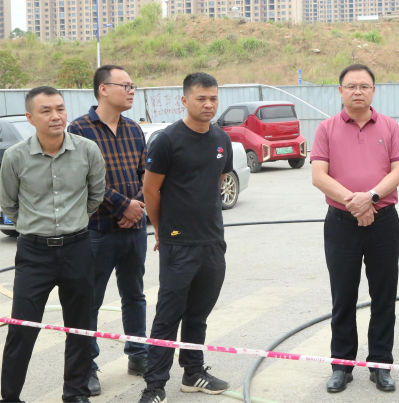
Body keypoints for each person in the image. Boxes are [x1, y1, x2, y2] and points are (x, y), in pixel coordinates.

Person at [0, 86, 106, 403]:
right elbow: (9, 203)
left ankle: (75, 393)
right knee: (22, 327)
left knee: (80, 327)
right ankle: (10, 397)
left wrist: (73, 223)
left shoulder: (87, 151)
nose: (55, 116)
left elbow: (95, 196)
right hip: (34, 253)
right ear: (30, 117)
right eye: (45, 110)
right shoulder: (15, 156)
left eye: (60, 108)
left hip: (77, 249)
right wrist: (35, 228)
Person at [311, 64, 399, 393]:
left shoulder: (389, 126)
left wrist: (371, 198)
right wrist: (355, 202)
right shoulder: (326, 128)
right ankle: (342, 365)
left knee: (384, 295)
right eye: (351, 86)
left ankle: (380, 364)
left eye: (364, 86)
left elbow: (398, 171)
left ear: (373, 91)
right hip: (341, 224)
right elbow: (319, 176)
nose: (358, 91)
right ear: (340, 91)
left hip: (384, 223)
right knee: (343, 296)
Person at [138, 73, 233, 403]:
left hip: (212, 242)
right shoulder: (167, 140)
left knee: (198, 314)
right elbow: (151, 190)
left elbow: (217, 180)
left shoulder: (221, 139)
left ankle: (193, 373)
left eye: (213, 98)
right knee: (168, 316)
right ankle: (154, 386)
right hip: (178, 244)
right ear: (185, 100)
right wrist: (162, 229)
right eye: (200, 98)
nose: (208, 104)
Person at [67, 65, 149, 396]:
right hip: (97, 231)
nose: (131, 91)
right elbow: (82, 179)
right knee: (90, 300)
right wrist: (122, 206)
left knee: (135, 295)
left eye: (132, 85)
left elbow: (145, 175)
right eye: (125, 85)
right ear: (103, 89)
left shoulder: (134, 129)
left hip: (134, 230)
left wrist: (136, 207)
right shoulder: (79, 129)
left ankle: (139, 355)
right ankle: (86, 365)